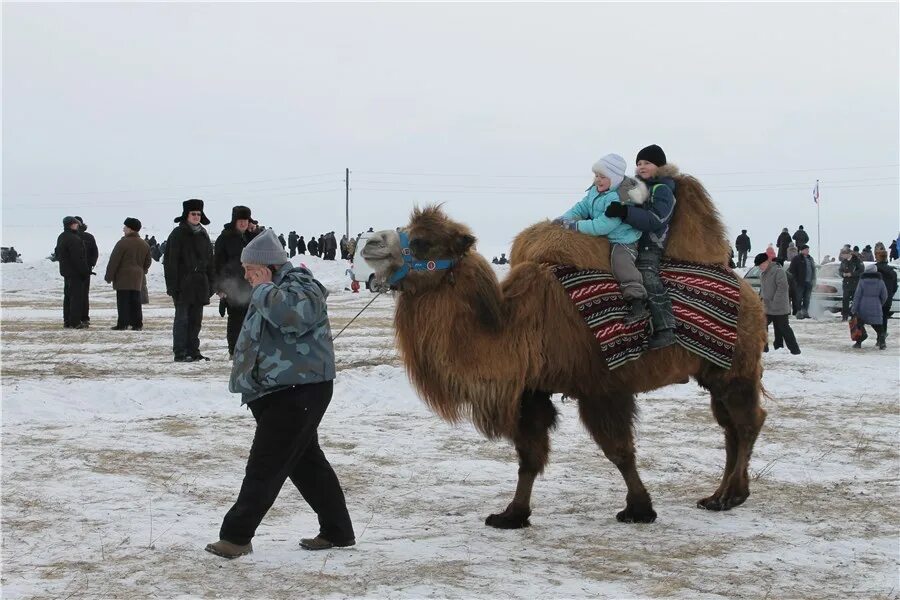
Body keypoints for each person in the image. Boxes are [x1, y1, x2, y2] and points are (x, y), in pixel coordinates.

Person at [205, 229, 355, 559]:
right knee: (306, 464)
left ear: (267, 266)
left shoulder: (300, 283)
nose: (245, 275)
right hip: (277, 391)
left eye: (250, 269)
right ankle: (338, 531)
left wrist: (263, 287)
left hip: (299, 391)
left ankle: (236, 536)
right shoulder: (269, 288)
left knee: (266, 464)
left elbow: (294, 317)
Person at [557, 153, 649, 325]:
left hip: (622, 238)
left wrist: (575, 226)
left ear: (614, 179)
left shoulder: (618, 198)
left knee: (620, 262)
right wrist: (563, 219)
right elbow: (581, 208)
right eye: (597, 175)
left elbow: (602, 226)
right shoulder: (595, 191)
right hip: (603, 236)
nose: (598, 180)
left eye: (603, 177)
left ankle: (637, 301)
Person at [605, 145, 677, 347]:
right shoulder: (635, 188)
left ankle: (665, 327)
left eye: (647, 163)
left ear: (660, 166)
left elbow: (656, 219)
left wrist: (624, 213)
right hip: (629, 240)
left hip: (650, 244)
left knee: (646, 274)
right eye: (638, 163)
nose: (641, 166)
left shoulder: (662, 190)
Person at [164, 199, 215, 362]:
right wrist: (172, 286)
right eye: (193, 213)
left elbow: (210, 261)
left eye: (199, 214)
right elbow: (170, 262)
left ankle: (194, 351)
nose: (196, 216)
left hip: (200, 283)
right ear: (186, 215)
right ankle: (180, 352)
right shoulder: (177, 234)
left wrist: (211, 283)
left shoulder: (203, 234)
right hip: (183, 283)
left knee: (196, 321)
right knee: (182, 320)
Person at [214, 206, 259, 358]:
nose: (243, 224)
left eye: (246, 221)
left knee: (252, 319)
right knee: (235, 320)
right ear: (234, 221)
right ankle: (234, 350)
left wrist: (255, 231)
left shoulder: (252, 237)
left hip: (251, 284)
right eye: (240, 221)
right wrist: (219, 287)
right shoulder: (225, 238)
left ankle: (249, 350)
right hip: (232, 285)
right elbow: (217, 263)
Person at [105, 217, 151, 330]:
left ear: (130, 229)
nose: (123, 229)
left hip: (123, 277)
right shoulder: (144, 244)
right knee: (136, 301)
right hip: (137, 277)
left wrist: (109, 276)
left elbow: (114, 261)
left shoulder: (122, 243)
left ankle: (123, 324)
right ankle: (137, 324)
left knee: (123, 301)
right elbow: (148, 262)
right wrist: (142, 271)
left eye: (125, 227)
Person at [755, 253, 800, 354]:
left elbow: (782, 288)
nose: (760, 267)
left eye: (761, 265)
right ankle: (763, 349)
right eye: (758, 266)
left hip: (779, 307)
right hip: (767, 307)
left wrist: (775, 302)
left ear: (767, 262)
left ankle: (795, 351)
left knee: (784, 329)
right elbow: (763, 290)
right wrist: (760, 300)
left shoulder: (778, 271)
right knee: (761, 326)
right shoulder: (763, 274)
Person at [55, 216, 91, 329]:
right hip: (76, 273)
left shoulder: (62, 236)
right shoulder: (74, 238)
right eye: (76, 224)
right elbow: (78, 258)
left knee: (68, 297)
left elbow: (57, 253)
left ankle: (67, 321)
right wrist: (85, 271)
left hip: (66, 272)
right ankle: (75, 322)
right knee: (77, 297)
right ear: (71, 225)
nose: (78, 225)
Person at [851, 263, 889, 349]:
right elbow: (884, 295)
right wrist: (880, 303)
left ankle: (859, 342)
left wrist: (854, 309)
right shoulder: (880, 281)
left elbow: (857, 296)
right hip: (876, 306)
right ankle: (882, 342)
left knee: (860, 324)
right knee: (879, 327)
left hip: (863, 306)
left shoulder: (862, 281)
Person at [74, 216, 99, 326]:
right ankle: (84, 317)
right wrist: (91, 265)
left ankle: (75, 318)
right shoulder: (89, 237)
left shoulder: (70, 236)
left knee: (73, 295)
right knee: (84, 294)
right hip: (86, 270)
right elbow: (95, 253)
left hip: (75, 270)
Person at [788, 244, 816, 319]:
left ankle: (805, 312)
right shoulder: (797, 258)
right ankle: (798, 312)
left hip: (809, 282)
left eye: (808, 249)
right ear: (802, 250)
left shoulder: (810, 259)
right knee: (798, 298)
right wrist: (796, 280)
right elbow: (791, 270)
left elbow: (813, 270)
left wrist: (813, 280)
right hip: (799, 283)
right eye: (806, 249)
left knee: (807, 298)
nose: (807, 251)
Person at [875, 249, 897, 343]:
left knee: (875, 319)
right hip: (887, 299)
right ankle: (881, 338)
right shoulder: (892, 272)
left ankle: (880, 336)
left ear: (877, 257)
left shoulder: (874, 270)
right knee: (884, 318)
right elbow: (895, 287)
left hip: (875, 298)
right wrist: (890, 295)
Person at [839, 245, 864, 321]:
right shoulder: (843, 261)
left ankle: (854, 316)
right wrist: (843, 274)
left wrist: (852, 274)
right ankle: (845, 316)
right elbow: (840, 270)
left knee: (855, 300)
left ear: (849, 253)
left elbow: (861, 271)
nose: (843, 256)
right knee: (845, 300)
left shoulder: (857, 260)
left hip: (855, 283)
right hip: (846, 283)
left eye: (844, 254)